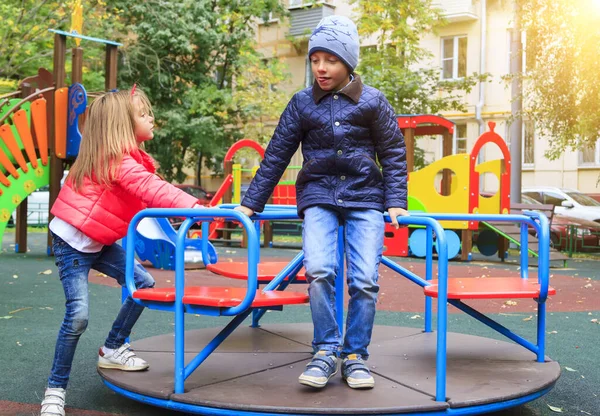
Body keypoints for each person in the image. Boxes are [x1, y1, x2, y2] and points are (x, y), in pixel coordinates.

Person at [235, 15, 408, 390]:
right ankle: (326, 350)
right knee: (319, 270)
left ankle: (355, 355)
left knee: (364, 279)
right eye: (315, 60)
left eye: (330, 60)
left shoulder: (373, 102)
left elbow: (393, 151)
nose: (321, 68)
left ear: (348, 62)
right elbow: (277, 154)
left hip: (365, 196)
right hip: (319, 195)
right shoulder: (301, 104)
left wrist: (395, 200)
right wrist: (251, 203)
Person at [40, 88, 203, 416]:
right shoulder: (116, 159)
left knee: (142, 283)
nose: (151, 118)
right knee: (78, 316)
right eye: (143, 114)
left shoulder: (130, 159)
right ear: (122, 126)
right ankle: (55, 389)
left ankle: (114, 346)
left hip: (97, 240)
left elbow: (148, 188)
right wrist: (198, 207)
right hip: (72, 243)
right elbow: (150, 188)